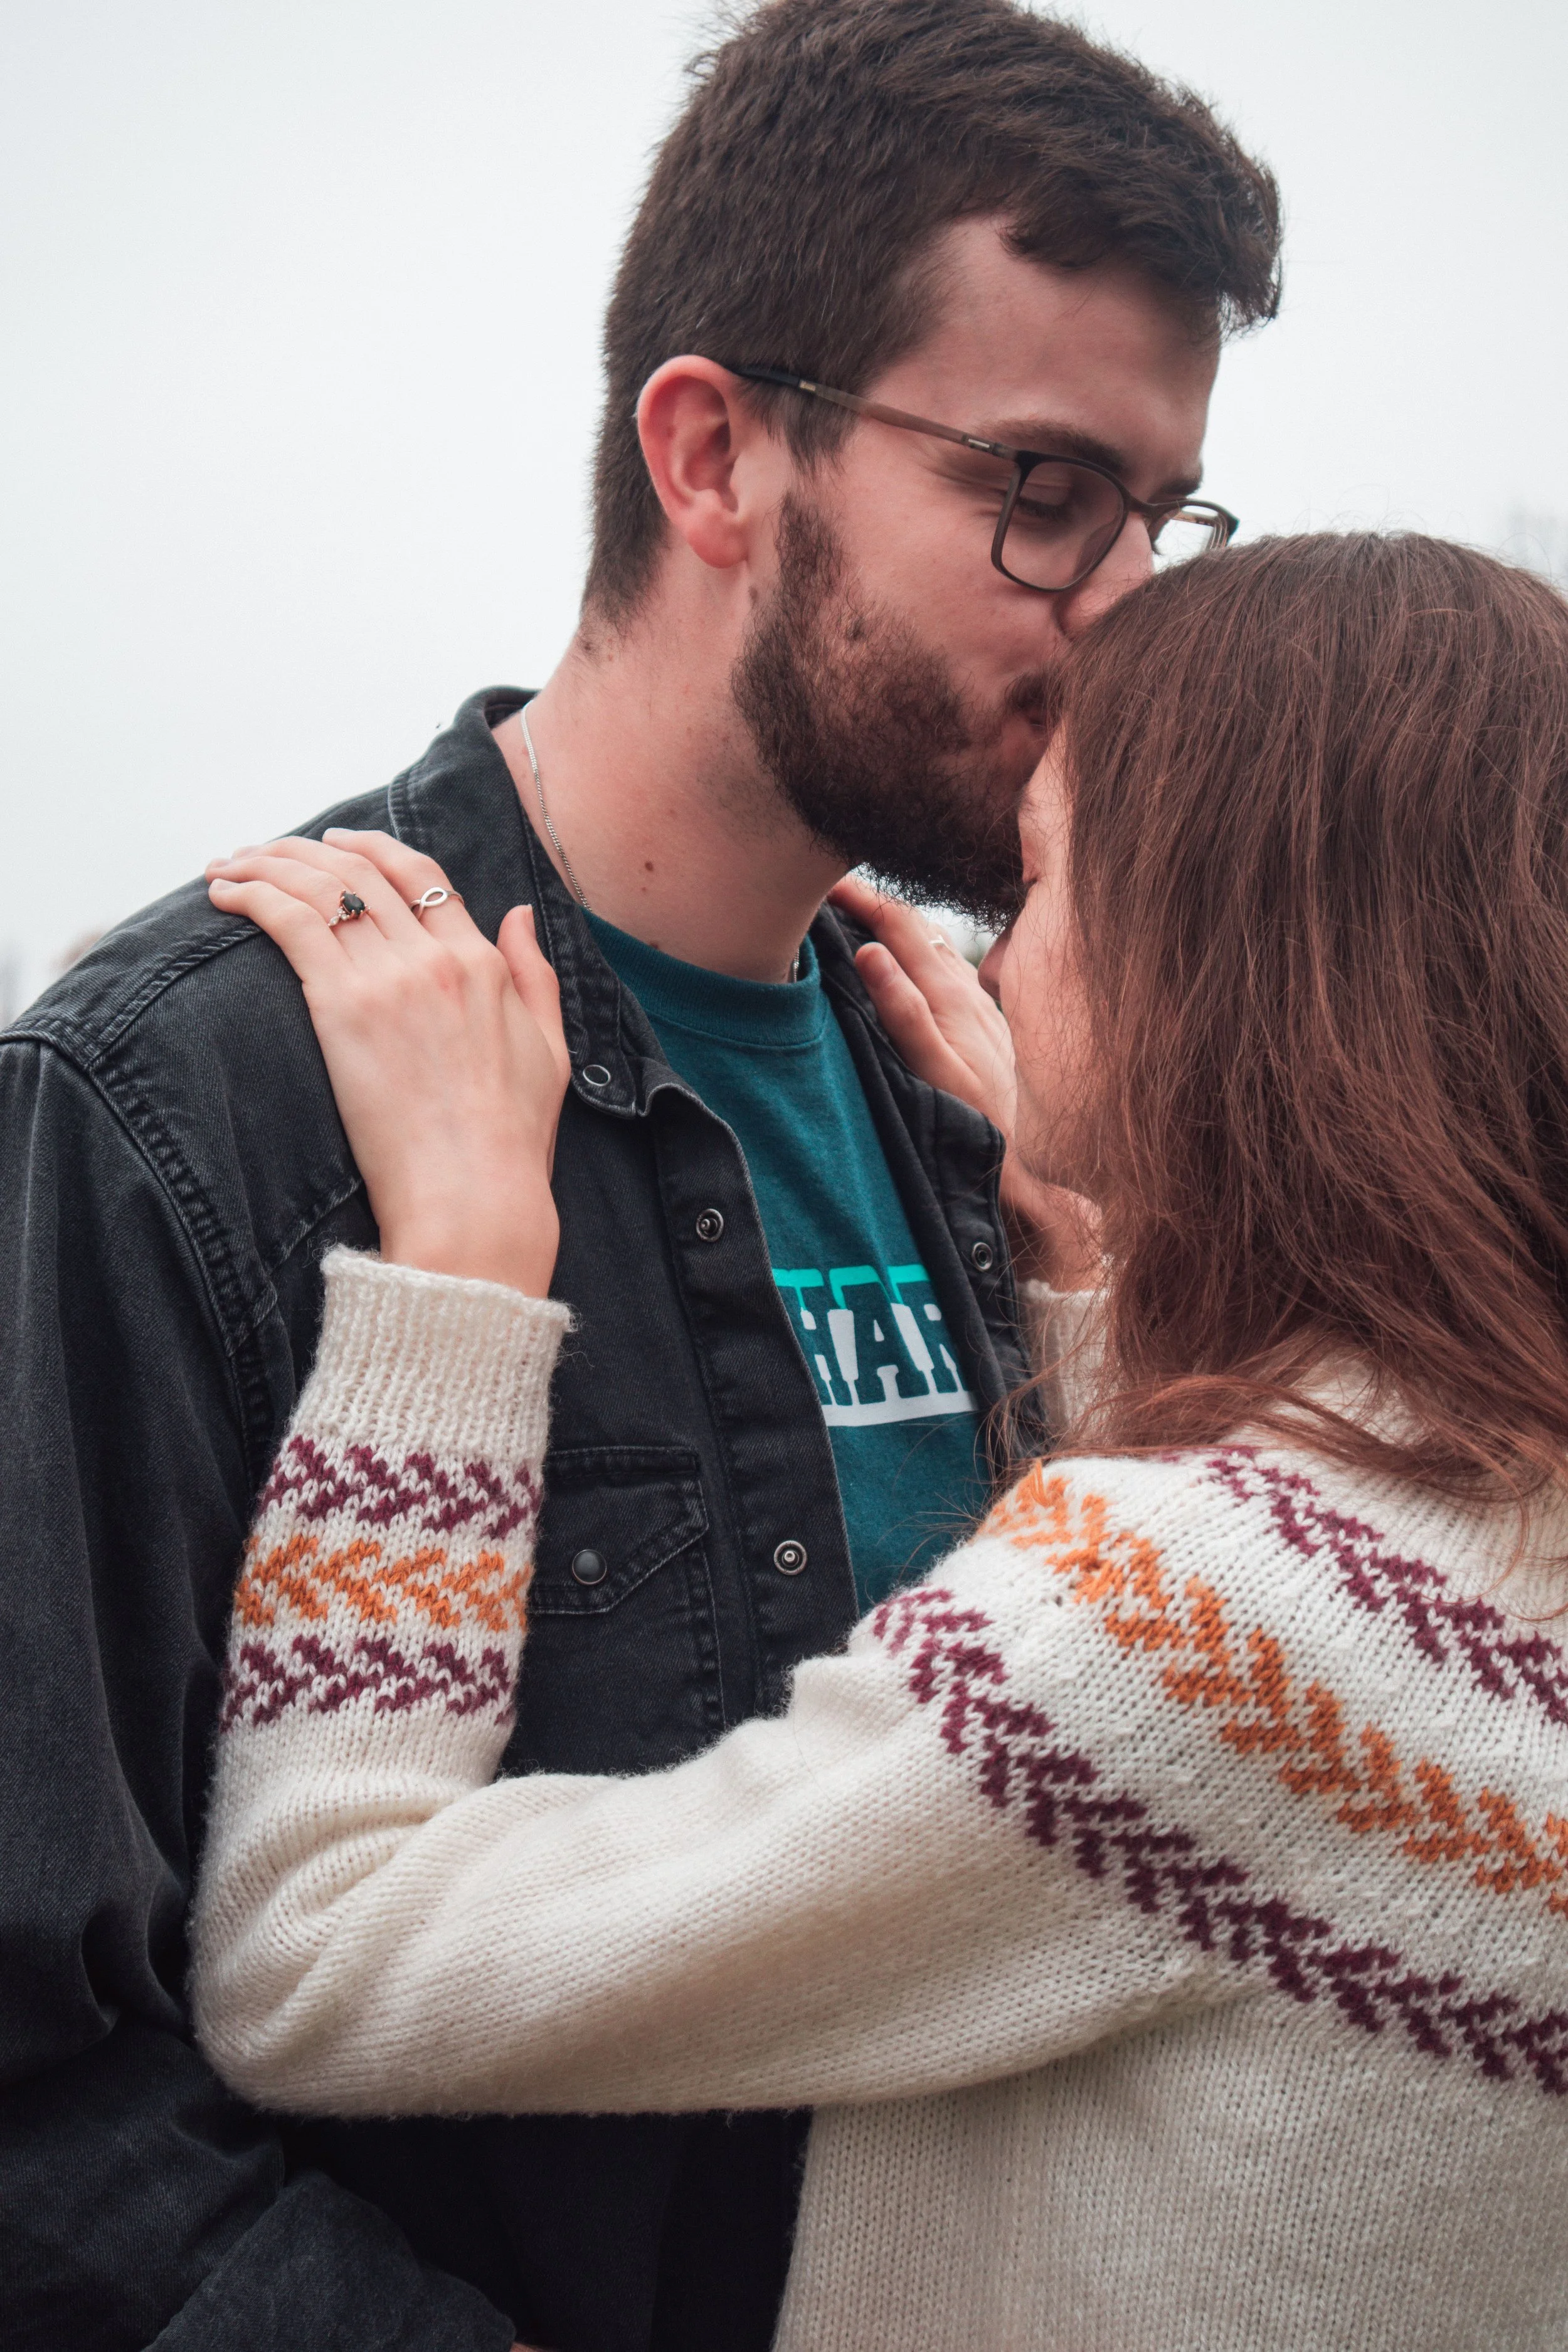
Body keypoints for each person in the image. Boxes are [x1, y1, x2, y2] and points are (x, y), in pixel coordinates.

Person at [0, 2, 1279, 2344]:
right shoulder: (194, 1094)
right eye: (1038, 493)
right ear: (712, 456)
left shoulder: (985, 1102)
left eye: (1158, 515)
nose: (1119, 611)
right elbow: (41, 2105)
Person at [192, 531, 1568, 2352]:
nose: (1004, 957)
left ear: (1213, 955)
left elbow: (321, 1955)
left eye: (1045, 879)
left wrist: (456, 1287)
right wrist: (1091, 1273)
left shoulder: (1194, 1639)